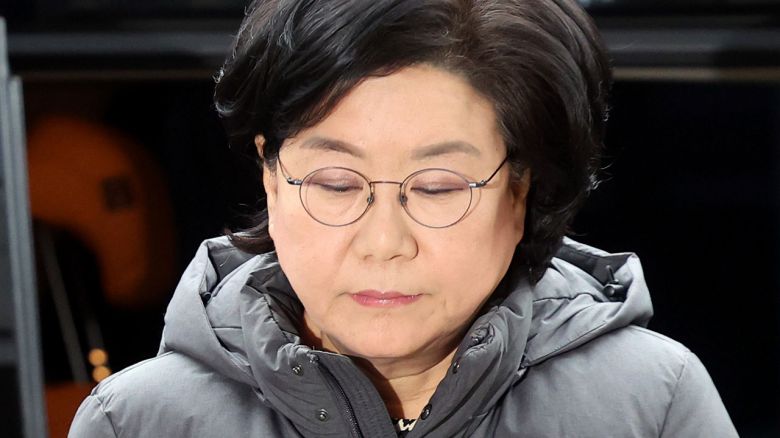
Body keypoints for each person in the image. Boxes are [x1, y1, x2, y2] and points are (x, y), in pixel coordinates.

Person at [69, 0, 738, 437]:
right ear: (271, 177)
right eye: (335, 183)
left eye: (438, 188)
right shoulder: (138, 421)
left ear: (521, 190)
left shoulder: (648, 402)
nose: (384, 242)